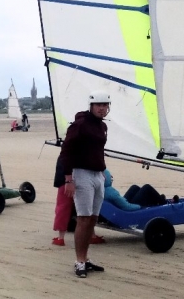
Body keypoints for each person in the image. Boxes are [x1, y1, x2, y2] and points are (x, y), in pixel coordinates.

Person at [59, 90, 110, 278]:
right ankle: (79, 261)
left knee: (93, 218)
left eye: (105, 105)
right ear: (91, 106)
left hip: (98, 175)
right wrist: (68, 179)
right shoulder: (79, 125)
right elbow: (66, 151)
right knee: (83, 218)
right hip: (81, 174)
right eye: (99, 105)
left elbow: (97, 150)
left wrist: (102, 172)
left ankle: (86, 258)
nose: (102, 108)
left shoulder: (102, 126)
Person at [53, 157, 106, 246]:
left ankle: (60, 238)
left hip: (66, 179)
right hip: (84, 179)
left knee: (63, 208)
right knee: (87, 210)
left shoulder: (67, 149)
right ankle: (91, 235)